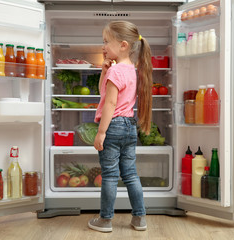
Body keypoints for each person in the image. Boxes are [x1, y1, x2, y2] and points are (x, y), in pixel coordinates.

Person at [88, 20, 153, 233]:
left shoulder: (116, 73)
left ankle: (105, 220)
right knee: (131, 174)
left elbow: (110, 103)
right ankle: (140, 218)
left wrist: (101, 132)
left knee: (109, 175)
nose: (103, 46)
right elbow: (104, 93)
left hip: (113, 126)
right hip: (129, 127)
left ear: (123, 45)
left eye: (107, 41)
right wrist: (103, 71)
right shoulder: (130, 70)